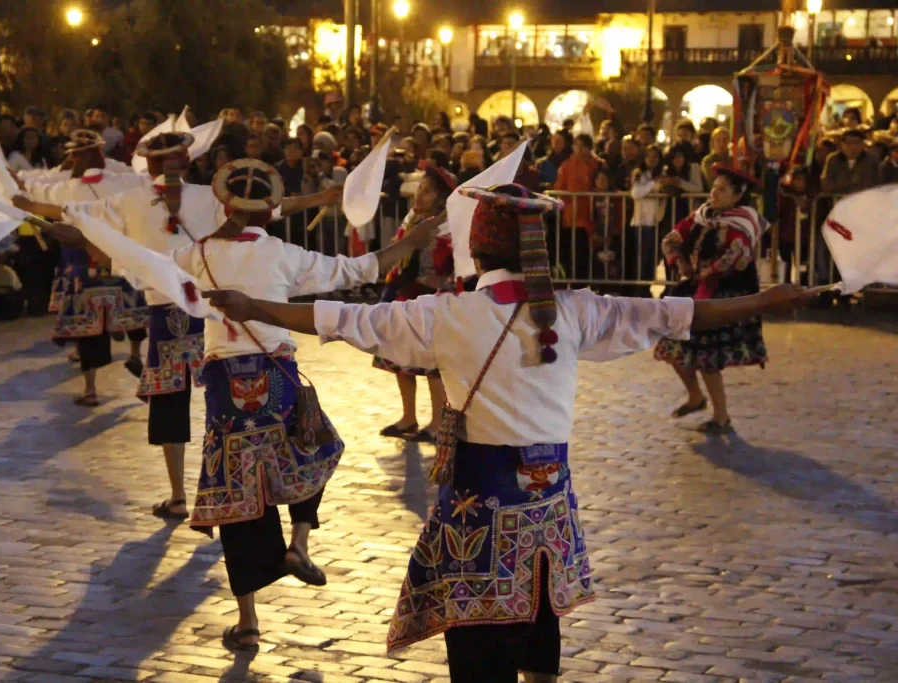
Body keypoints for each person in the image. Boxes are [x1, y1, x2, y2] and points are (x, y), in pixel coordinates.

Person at [202, 183, 814, 683]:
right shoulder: (575, 310)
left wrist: (255, 308)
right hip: (548, 512)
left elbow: (340, 319)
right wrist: (764, 300)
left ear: (476, 251)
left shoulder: (447, 314)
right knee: (541, 625)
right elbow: (679, 314)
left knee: (479, 648)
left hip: (479, 515)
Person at [164, 157, 441, 651]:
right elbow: (356, 268)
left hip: (226, 389)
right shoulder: (283, 254)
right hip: (277, 377)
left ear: (224, 204)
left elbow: (151, 273)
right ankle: (299, 542)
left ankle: (248, 622)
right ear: (270, 210)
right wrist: (411, 243)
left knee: (237, 496)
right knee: (316, 446)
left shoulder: (194, 254)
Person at [15, 132, 346, 522]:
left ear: (149, 163)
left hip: (167, 311)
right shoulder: (211, 197)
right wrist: (320, 198)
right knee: (239, 402)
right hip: (217, 312)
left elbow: (73, 213)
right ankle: (265, 487)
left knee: (170, 402)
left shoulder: (131, 199)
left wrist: (26, 205)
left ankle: (179, 495)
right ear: (186, 159)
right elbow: (269, 206)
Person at [18, 130, 151, 404]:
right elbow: (148, 180)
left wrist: (13, 181)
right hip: (118, 259)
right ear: (100, 154)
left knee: (88, 330)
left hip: (83, 266)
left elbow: (34, 188)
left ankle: (90, 389)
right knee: (134, 310)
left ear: (74, 158)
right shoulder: (123, 180)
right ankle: (135, 353)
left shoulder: (66, 188)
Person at [654, 165, 770, 434]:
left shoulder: (742, 222)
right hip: (696, 289)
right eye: (714, 188)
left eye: (722, 190)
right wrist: (680, 261)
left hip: (724, 294)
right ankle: (696, 397)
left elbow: (738, 255)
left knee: (706, 355)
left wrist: (709, 271)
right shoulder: (702, 216)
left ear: (737, 196)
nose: (714, 193)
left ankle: (721, 416)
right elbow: (671, 238)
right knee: (672, 343)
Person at [374, 161, 456, 442]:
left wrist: (441, 281)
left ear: (441, 198)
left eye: (428, 191)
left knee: (432, 364)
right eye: (420, 188)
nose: (420, 195)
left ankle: (437, 422)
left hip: (433, 301)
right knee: (400, 359)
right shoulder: (412, 220)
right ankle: (408, 417)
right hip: (405, 295)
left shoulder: (450, 227)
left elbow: (459, 267)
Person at [554, 134, 599, 281]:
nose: (578, 149)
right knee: (575, 257)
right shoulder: (567, 166)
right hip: (572, 218)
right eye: (576, 145)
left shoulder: (597, 164)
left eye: (581, 146)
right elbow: (559, 189)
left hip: (593, 218)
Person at [626, 144, 667, 296]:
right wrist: (653, 185)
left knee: (653, 259)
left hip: (656, 221)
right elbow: (636, 193)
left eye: (655, 156)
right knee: (642, 258)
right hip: (642, 221)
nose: (652, 159)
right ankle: (640, 289)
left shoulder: (662, 174)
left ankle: (647, 286)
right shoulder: (639, 173)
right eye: (649, 156)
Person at [821, 128, 880, 195]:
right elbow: (826, 183)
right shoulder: (833, 159)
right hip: (839, 198)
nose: (853, 147)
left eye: (857, 143)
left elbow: (878, 183)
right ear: (842, 144)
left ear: (863, 144)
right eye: (849, 143)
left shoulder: (871, 159)